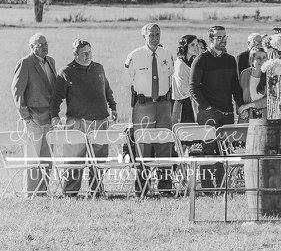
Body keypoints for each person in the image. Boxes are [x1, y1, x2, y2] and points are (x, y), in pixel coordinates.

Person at [52, 39, 118, 196]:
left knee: (100, 159)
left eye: (90, 52)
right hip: (77, 122)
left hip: (101, 120)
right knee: (74, 160)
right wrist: (54, 115)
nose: (88, 55)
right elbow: (56, 98)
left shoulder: (99, 68)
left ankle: (96, 191)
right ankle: (70, 192)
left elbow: (107, 90)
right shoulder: (66, 72)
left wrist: (113, 106)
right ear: (75, 54)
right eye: (84, 53)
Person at [125, 23, 176, 195]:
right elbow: (128, 81)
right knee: (143, 144)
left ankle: (165, 184)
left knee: (164, 143)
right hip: (143, 104)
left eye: (157, 34)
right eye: (151, 35)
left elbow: (171, 78)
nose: (155, 38)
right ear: (144, 36)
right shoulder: (134, 56)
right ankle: (142, 185)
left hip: (163, 104)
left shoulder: (167, 54)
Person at [191, 25, 243, 188]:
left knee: (224, 150)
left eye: (225, 37)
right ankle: (207, 187)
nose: (223, 40)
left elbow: (235, 85)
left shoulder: (230, 59)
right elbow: (193, 87)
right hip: (208, 113)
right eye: (219, 37)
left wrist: (240, 105)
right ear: (210, 40)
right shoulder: (201, 59)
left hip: (227, 112)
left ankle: (220, 186)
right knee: (208, 150)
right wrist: (206, 107)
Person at [12, 33, 58, 196]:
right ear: (31, 47)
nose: (44, 46)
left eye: (45, 43)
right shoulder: (25, 63)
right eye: (40, 44)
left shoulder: (51, 61)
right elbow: (17, 92)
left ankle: (43, 192)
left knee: (47, 158)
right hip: (33, 119)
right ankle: (31, 193)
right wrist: (26, 117)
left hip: (50, 118)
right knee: (33, 158)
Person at [172, 35, 205, 124]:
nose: (196, 47)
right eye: (192, 45)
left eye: (197, 45)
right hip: (184, 104)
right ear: (186, 46)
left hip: (195, 102)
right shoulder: (180, 64)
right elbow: (183, 89)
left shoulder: (194, 62)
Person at [237, 48, 267, 122]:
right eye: (258, 58)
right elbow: (238, 94)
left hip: (265, 118)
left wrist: (248, 105)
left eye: (264, 58)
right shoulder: (245, 73)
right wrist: (241, 111)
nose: (262, 61)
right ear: (252, 60)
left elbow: (270, 99)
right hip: (246, 117)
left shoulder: (270, 75)